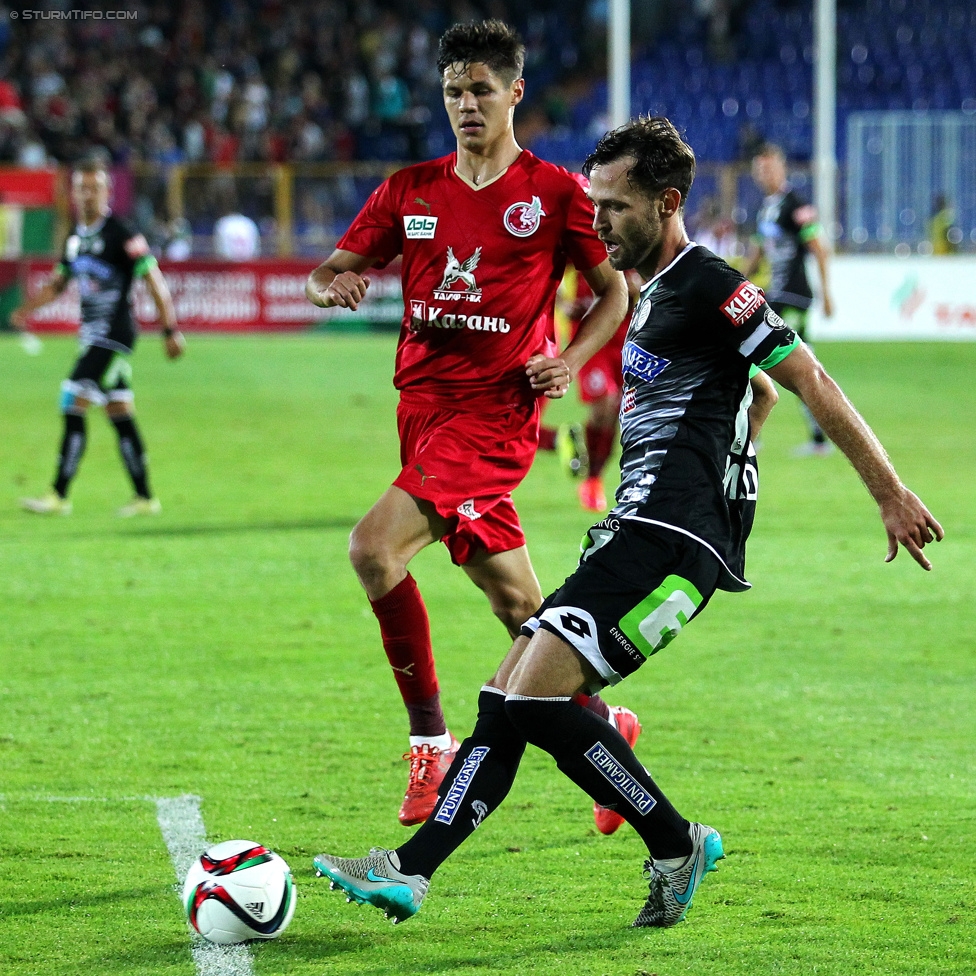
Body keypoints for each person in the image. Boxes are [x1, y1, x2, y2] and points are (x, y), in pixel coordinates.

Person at [311, 116, 943, 928]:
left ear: (667, 202)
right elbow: (760, 393)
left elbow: (804, 376)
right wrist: (725, 435)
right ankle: (410, 873)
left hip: (674, 544)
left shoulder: (709, 283)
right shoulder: (650, 297)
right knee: (505, 696)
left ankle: (674, 844)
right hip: (634, 534)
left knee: (533, 701)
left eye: (613, 205)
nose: (598, 219)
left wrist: (887, 492)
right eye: (595, 203)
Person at [304, 20, 630, 828]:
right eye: (454, 90)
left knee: (372, 549)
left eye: (481, 88)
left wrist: (569, 353)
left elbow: (613, 292)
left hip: (495, 416)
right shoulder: (409, 189)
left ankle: (430, 743)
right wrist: (329, 289)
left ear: (516, 91)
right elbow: (330, 270)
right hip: (421, 413)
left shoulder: (555, 193)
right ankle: (607, 735)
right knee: (522, 610)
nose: (466, 104)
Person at [14, 157, 184, 516]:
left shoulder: (122, 233)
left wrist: (170, 329)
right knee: (119, 410)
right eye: (82, 188)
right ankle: (145, 498)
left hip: (114, 334)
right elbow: (58, 284)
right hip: (92, 335)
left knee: (71, 398)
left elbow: (153, 280)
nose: (88, 194)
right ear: (73, 192)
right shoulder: (76, 238)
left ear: (108, 191)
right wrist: (26, 310)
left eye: (95, 188)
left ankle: (58, 495)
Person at [746, 143, 834, 456]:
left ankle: (751, 434)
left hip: (794, 295)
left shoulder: (796, 203)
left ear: (782, 169)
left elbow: (818, 247)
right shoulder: (765, 208)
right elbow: (755, 257)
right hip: (776, 294)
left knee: (784, 364)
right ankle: (818, 440)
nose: (763, 173)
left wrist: (827, 295)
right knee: (794, 366)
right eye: (759, 168)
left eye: (769, 167)